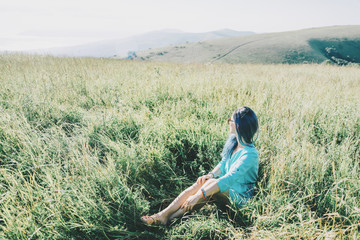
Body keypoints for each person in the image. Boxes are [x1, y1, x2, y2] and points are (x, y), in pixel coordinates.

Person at [141, 106, 259, 225]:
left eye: (231, 120)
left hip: (241, 198)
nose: (229, 123)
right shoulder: (235, 143)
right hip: (228, 188)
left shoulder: (250, 154)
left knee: (207, 188)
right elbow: (223, 164)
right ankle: (164, 215)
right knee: (203, 183)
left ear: (238, 125)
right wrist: (211, 174)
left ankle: (168, 218)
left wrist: (199, 195)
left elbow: (229, 178)